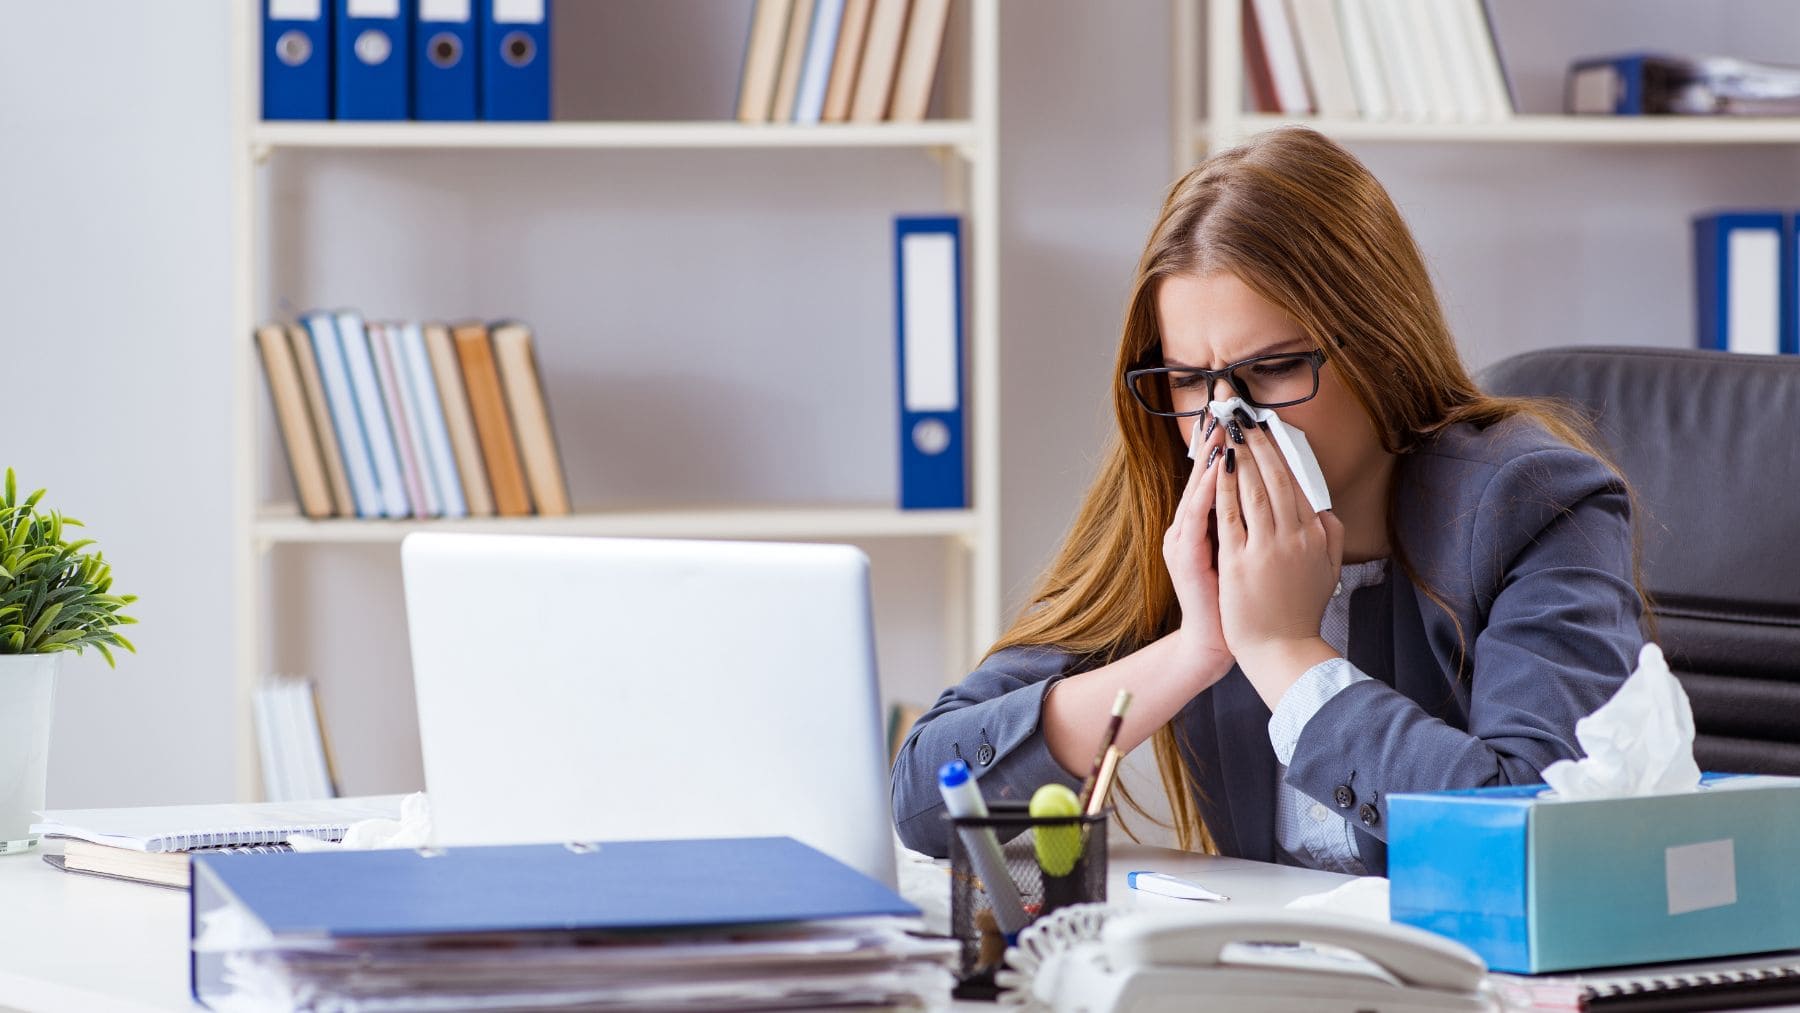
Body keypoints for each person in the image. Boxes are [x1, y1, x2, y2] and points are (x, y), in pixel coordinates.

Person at [891, 127, 1644, 874]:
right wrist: (1195, 650)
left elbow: (1537, 841)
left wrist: (1287, 654)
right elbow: (928, 793)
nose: (1226, 418)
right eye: (1190, 381)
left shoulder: (1537, 504)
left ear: (1382, 346)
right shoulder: (1174, 493)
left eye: (1275, 368)